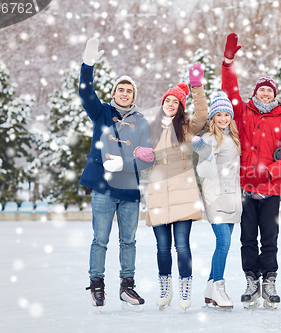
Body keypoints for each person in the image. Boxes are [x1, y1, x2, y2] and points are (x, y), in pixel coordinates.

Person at [221, 33, 281, 309]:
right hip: (245, 188)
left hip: (270, 189)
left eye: (270, 90)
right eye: (262, 89)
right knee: (247, 238)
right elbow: (230, 93)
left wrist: (269, 173)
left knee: (270, 239)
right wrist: (228, 64)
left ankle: (270, 281)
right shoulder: (244, 113)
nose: (265, 93)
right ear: (256, 92)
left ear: (275, 95)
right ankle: (252, 280)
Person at [79, 37, 155, 311]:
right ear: (113, 94)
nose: (124, 94)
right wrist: (87, 66)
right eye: (120, 90)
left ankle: (127, 286)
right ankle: (97, 285)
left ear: (134, 96)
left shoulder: (141, 122)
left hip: (129, 191)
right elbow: (86, 93)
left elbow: (148, 159)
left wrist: (124, 164)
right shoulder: (101, 113)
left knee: (129, 241)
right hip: (103, 188)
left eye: (129, 91)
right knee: (100, 239)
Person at [146, 63, 208, 311]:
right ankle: (165, 289)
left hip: (183, 192)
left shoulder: (184, 128)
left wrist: (196, 87)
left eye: (175, 102)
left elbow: (202, 115)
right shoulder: (151, 129)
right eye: (167, 100)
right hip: (159, 194)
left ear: (180, 106)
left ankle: (185, 288)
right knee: (162, 248)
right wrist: (139, 154)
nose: (170, 104)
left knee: (182, 245)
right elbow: (140, 157)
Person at [192, 92, 242, 309]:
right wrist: (207, 156)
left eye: (226, 114)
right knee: (224, 243)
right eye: (218, 115)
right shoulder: (208, 139)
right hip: (215, 196)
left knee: (224, 244)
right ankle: (219, 288)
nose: (223, 119)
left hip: (232, 196)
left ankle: (210, 287)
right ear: (212, 117)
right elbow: (202, 170)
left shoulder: (234, 138)